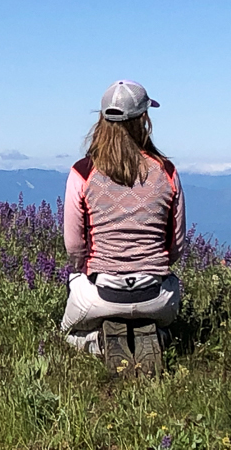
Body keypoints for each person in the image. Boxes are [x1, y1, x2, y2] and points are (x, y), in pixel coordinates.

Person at [60, 80, 185, 373]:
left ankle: (100, 343)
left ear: (102, 120)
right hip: (156, 296)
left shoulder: (82, 172)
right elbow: (175, 246)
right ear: (144, 119)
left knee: (66, 333)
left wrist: (87, 271)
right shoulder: (167, 171)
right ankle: (157, 335)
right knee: (167, 301)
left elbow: (74, 247)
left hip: (102, 294)